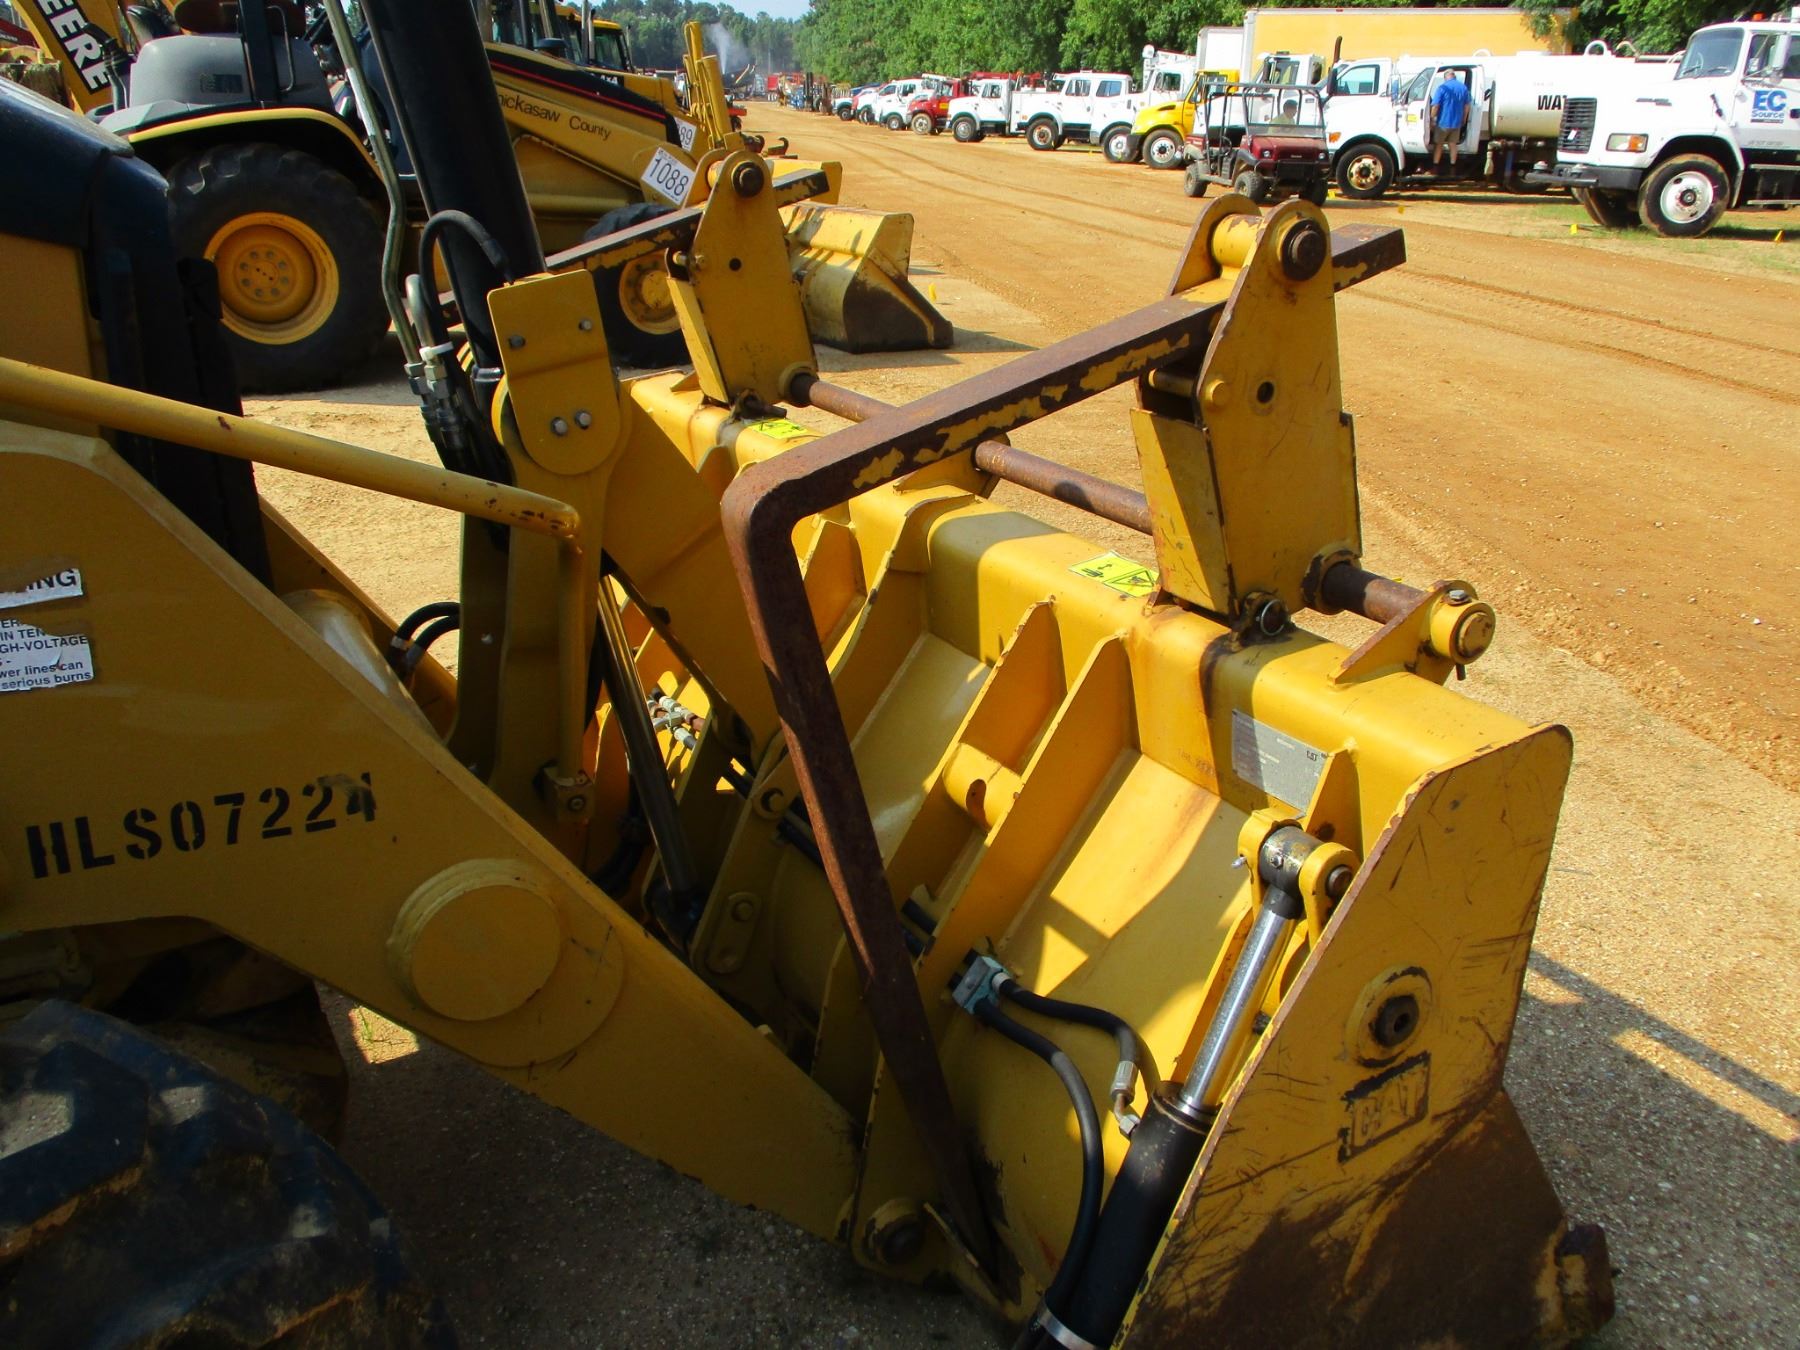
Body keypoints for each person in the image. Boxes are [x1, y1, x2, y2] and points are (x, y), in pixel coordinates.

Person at [1429, 70, 1471, 170]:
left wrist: (1431, 119)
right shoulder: (1463, 88)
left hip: (1443, 122)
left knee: (1439, 144)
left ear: (1446, 77)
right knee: (1453, 144)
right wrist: (1464, 119)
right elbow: (1467, 106)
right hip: (1456, 123)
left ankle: (1435, 165)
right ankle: (1453, 165)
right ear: (1454, 76)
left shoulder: (1443, 88)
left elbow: (1435, 106)